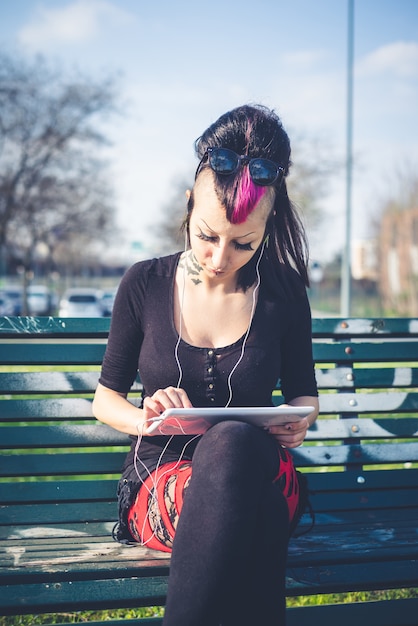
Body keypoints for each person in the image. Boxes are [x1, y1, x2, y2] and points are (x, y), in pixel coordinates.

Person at [92, 103, 319, 626]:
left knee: (236, 444)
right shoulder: (144, 284)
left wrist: (296, 423)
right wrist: (148, 415)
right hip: (164, 485)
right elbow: (105, 400)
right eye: (207, 236)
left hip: (262, 468)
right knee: (253, 512)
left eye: (244, 243)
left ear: (269, 224)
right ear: (188, 204)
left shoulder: (283, 291)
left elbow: (305, 396)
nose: (220, 258)